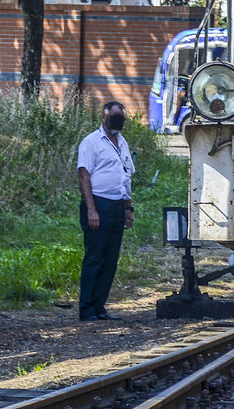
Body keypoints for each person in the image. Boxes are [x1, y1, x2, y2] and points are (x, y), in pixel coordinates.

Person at [77, 101, 134, 321]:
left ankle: (100, 306)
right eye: (115, 119)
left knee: (111, 259)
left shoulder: (122, 143)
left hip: (118, 205)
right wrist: (92, 209)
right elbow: (84, 176)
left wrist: (128, 207)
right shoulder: (91, 142)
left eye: (122, 120)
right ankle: (87, 308)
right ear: (104, 117)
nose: (118, 124)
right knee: (95, 257)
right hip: (99, 204)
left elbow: (126, 176)